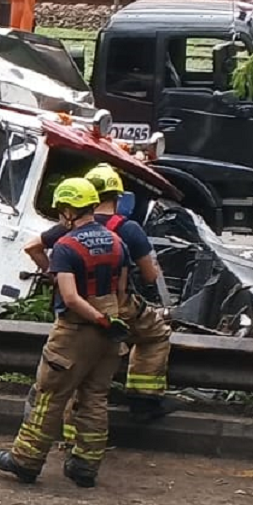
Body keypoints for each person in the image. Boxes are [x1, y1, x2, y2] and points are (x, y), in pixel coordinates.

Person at [0, 177, 131, 488]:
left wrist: (95, 318)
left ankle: (25, 461)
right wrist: (109, 320)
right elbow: (121, 290)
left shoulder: (67, 246)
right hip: (111, 330)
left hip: (76, 331)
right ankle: (85, 466)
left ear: (69, 210)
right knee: (94, 397)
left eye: (60, 211)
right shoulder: (117, 241)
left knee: (49, 395)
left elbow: (70, 298)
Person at [25, 164, 173, 421]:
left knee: (72, 372)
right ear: (118, 196)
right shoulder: (128, 230)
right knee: (156, 334)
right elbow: (150, 276)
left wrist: (56, 273)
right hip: (118, 305)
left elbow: (32, 247)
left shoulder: (70, 226)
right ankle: (144, 399)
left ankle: (68, 435)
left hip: (77, 312)